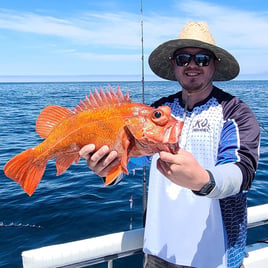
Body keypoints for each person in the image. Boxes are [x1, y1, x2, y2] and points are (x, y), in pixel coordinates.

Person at [79, 21, 260, 268]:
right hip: (158, 251)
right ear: (174, 64)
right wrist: (106, 168)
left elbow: (242, 171)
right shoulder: (155, 111)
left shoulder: (235, 112)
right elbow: (130, 161)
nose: (192, 65)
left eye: (203, 59)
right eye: (183, 58)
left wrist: (203, 180)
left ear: (215, 64)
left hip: (215, 256)